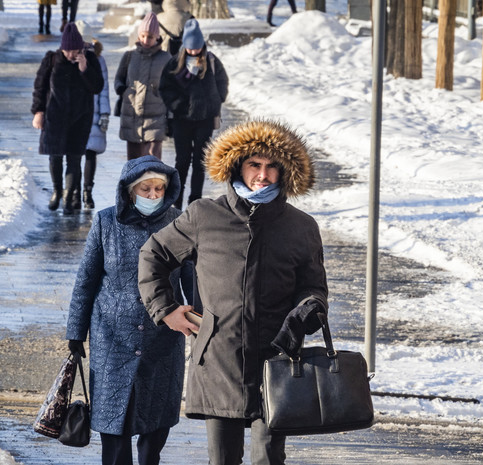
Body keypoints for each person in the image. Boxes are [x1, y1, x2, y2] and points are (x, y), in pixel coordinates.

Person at [138, 120, 329, 465]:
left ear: (284, 171)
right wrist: (166, 309)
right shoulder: (204, 215)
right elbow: (154, 254)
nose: (263, 175)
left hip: (277, 360)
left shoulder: (301, 227)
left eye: (272, 166)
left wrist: (309, 309)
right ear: (237, 166)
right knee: (222, 460)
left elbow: (313, 287)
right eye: (254, 164)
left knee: (268, 458)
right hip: (218, 360)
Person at [66, 155, 188, 465]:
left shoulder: (180, 224)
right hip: (112, 339)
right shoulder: (106, 222)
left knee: (155, 423)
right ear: (130, 190)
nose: (153, 195)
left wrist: (203, 323)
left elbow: (195, 280)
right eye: (145, 189)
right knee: (114, 425)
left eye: (159, 189)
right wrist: (75, 332)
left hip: (163, 339)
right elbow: (86, 281)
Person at [31, 22, 102, 214]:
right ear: (62, 48)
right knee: (55, 157)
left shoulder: (89, 60)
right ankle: (57, 191)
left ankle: (69, 197)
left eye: (75, 50)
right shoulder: (51, 60)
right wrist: (38, 112)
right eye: (68, 50)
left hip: (80, 118)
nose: (71, 54)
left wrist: (84, 68)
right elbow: (40, 87)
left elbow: (97, 86)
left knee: (74, 158)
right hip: (54, 117)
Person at [158, 18, 228, 210]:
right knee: (182, 161)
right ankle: (176, 201)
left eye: (197, 48)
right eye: (190, 48)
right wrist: (179, 106)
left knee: (200, 161)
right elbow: (165, 88)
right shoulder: (175, 63)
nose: (194, 52)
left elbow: (222, 83)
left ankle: (195, 201)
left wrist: (215, 102)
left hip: (204, 119)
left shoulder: (211, 61)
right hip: (181, 120)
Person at [114, 12, 171, 160]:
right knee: (133, 164)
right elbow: (119, 78)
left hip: (156, 117)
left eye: (150, 37)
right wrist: (122, 90)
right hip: (131, 115)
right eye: (143, 35)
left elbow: (172, 86)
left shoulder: (165, 58)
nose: (146, 40)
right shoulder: (129, 56)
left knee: (152, 160)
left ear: (157, 37)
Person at [75, 20, 111, 210]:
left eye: (86, 42)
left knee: (90, 152)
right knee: (74, 154)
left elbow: (104, 89)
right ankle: (73, 190)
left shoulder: (98, 59)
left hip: (94, 113)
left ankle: (87, 191)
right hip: (75, 113)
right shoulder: (71, 58)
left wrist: (104, 113)